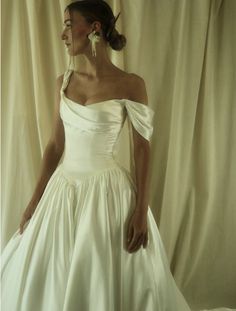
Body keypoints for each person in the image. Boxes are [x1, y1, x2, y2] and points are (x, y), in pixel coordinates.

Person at [1, 1, 232, 311]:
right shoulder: (64, 83)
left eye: (69, 24)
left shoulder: (131, 84)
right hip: (63, 189)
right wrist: (33, 203)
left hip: (107, 193)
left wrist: (141, 210)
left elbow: (142, 148)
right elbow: (55, 146)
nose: (63, 34)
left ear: (95, 28)